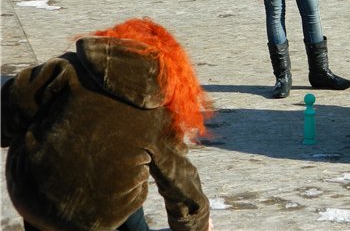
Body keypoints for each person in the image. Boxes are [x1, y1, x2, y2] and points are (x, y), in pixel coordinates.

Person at [1, 17, 213, 231]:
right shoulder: (158, 115)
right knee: (125, 184)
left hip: (31, 192)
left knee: (44, 197)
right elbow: (179, 178)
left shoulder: (68, 68)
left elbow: (14, 99)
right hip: (98, 215)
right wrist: (197, 224)